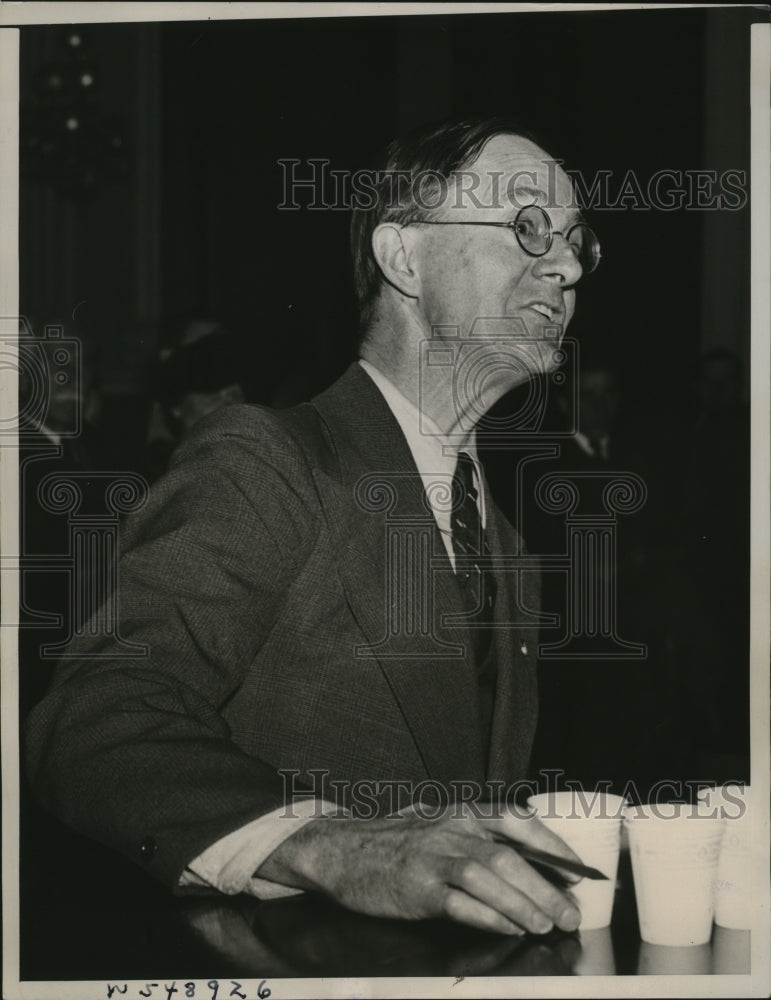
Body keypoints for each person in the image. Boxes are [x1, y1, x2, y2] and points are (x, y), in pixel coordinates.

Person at [25, 117, 601, 938]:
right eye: (526, 226)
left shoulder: (501, 537)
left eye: (578, 241)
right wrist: (333, 845)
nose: (568, 263)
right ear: (402, 257)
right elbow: (92, 718)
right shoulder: (268, 462)